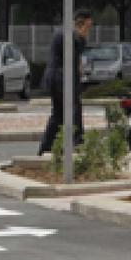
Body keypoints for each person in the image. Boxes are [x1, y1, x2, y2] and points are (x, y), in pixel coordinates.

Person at [37, 9, 93, 155]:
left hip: (56, 78)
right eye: (87, 26)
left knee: (58, 115)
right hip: (62, 79)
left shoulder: (62, 33)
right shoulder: (71, 35)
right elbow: (78, 46)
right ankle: (77, 144)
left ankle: (46, 148)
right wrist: (82, 36)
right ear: (80, 23)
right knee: (74, 110)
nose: (88, 30)